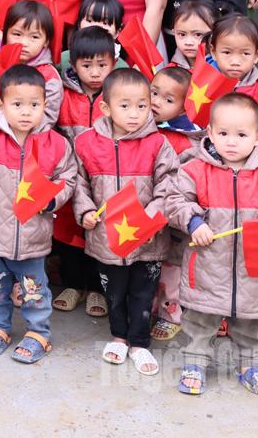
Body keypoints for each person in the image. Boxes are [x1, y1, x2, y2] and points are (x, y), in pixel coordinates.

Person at [165, 94, 258, 396]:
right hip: (207, 265)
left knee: (252, 323)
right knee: (200, 320)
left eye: (241, 135)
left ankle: (250, 364)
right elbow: (174, 200)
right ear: (210, 132)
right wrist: (193, 222)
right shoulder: (195, 169)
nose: (231, 142)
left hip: (255, 268)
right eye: (223, 133)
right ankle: (195, 362)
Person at [0, 64, 77, 364]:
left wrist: (52, 200)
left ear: (45, 106)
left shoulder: (55, 144)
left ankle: (38, 331)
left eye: (34, 105)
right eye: (17, 104)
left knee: (34, 288)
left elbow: (68, 178)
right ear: (1, 104)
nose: (26, 112)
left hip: (33, 236)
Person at [73, 68, 179, 377]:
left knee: (143, 293)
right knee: (114, 292)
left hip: (147, 239)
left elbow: (170, 186)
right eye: (125, 105)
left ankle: (140, 342)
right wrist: (85, 212)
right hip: (107, 238)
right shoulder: (87, 143)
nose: (134, 114)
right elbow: (78, 183)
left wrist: (152, 218)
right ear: (105, 107)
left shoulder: (158, 144)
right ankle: (119, 336)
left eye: (142, 105)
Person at [52, 26, 117, 318]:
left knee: (99, 231)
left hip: (104, 176)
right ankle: (72, 284)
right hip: (70, 174)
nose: (94, 72)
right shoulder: (64, 94)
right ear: (73, 64)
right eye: (86, 65)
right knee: (68, 232)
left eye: (102, 65)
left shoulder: (117, 95)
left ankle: (96, 288)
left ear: (113, 63)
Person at [146, 64, 197, 342]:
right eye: (154, 93)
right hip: (145, 211)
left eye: (168, 100)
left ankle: (171, 313)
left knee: (171, 266)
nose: (156, 102)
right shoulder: (141, 126)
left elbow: (184, 183)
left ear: (183, 108)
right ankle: (150, 305)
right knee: (148, 262)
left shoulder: (185, 140)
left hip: (171, 217)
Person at [0, 1, 63, 131]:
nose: (24, 43)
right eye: (17, 34)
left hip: (28, 141)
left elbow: (47, 118)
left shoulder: (49, 76)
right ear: (5, 34)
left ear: (46, 41)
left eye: (34, 37)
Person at [168, 0, 216, 70]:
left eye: (198, 34)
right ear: (174, 32)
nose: (188, 42)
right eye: (182, 34)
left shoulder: (223, 69)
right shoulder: (170, 70)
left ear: (216, 33)